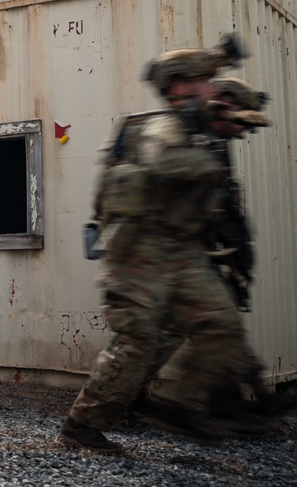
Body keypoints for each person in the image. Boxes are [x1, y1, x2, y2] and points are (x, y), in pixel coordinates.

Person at [57, 48, 254, 454]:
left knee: (219, 320)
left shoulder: (201, 130)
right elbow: (161, 161)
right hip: (139, 248)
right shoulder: (164, 127)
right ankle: (82, 426)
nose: (212, 89)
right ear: (182, 85)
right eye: (205, 82)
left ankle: (183, 408)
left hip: (182, 250)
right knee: (138, 340)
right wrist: (209, 157)